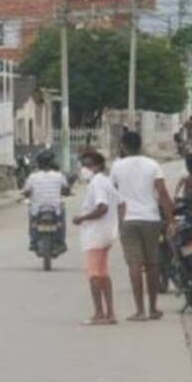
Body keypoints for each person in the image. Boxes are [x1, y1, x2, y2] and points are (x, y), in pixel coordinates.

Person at [111, 130, 175, 322]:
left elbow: (112, 193)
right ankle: (153, 308)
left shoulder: (117, 167)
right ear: (141, 145)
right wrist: (171, 219)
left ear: (123, 146)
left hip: (129, 220)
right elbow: (162, 193)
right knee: (153, 264)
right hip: (151, 218)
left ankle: (139, 311)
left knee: (134, 265)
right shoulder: (153, 165)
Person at [72, 149, 118, 326]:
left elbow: (102, 207)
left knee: (94, 275)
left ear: (97, 165)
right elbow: (120, 203)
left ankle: (99, 312)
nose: (85, 168)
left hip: (96, 235)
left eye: (87, 165)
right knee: (104, 274)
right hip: (106, 233)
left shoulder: (97, 183)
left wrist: (81, 218)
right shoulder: (106, 181)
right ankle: (110, 312)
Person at [22, 150, 69, 251]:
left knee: (33, 221)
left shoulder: (32, 176)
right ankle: (61, 242)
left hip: (37, 208)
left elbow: (26, 192)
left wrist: (26, 195)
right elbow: (65, 190)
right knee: (60, 221)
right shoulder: (59, 175)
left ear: (38, 163)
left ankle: (33, 241)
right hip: (55, 208)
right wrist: (65, 192)